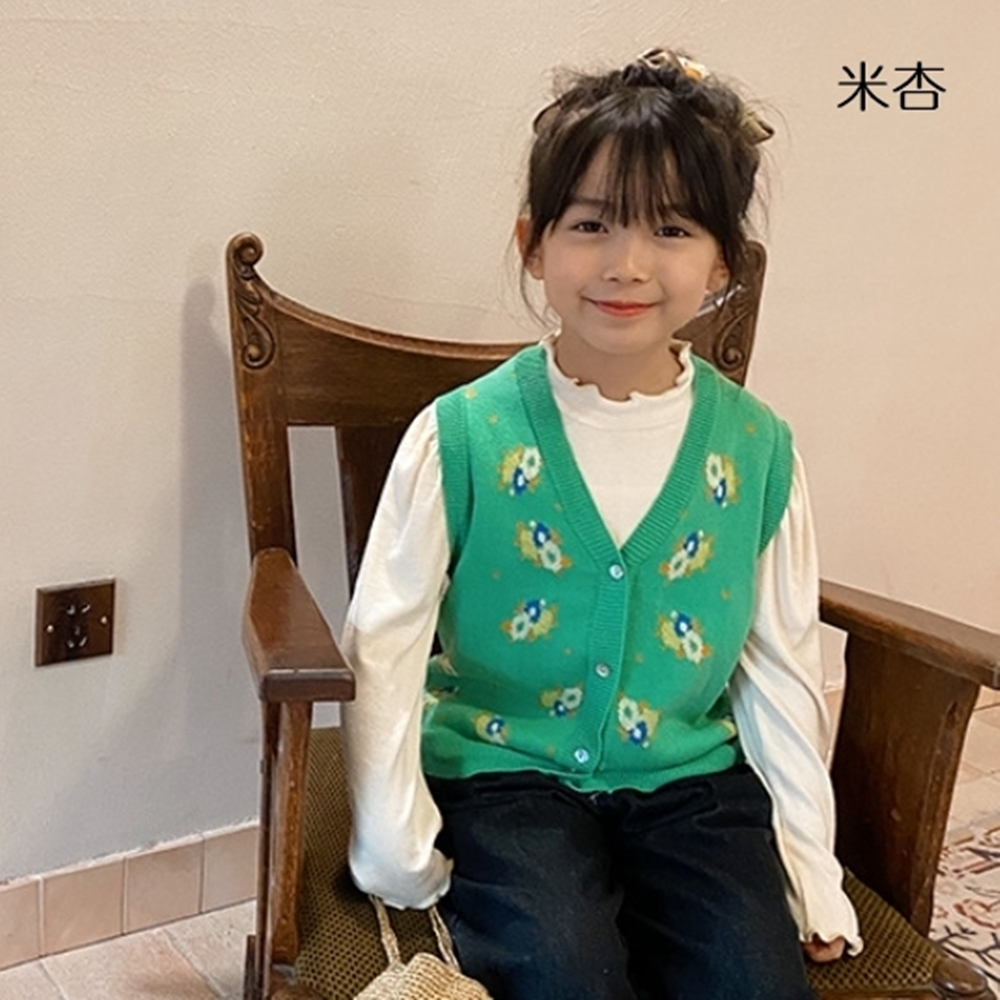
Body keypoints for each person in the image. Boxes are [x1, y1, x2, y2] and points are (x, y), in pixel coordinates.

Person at [341, 47, 861, 1000]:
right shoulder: (462, 436)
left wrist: (808, 870)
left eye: (671, 227)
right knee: (561, 971)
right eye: (590, 224)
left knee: (755, 984)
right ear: (533, 244)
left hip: (691, 786)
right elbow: (387, 639)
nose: (626, 264)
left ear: (724, 263)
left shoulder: (758, 450)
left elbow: (781, 667)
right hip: (506, 773)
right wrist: (394, 845)